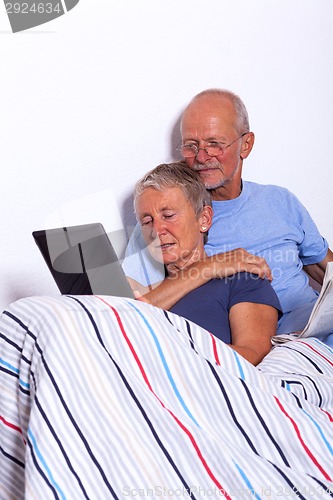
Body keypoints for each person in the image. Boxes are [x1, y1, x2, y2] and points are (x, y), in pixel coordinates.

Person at [123, 88, 333, 336]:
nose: (202, 157)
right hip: (271, 345)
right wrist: (211, 266)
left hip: (318, 327)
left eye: (214, 144)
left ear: (246, 145)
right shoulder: (164, 222)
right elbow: (130, 311)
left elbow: (323, 268)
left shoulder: (280, 200)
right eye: (191, 145)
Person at [133, 162, 281, 365]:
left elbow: (253, 355)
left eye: (168, 216)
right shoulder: (142, 291)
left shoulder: (243, 278)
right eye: (147, 221)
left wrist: (176, 359)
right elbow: (124, 326)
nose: (157, 231)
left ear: (204, 218)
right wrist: (206, 268)